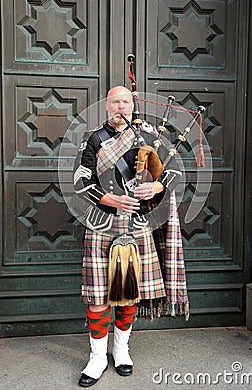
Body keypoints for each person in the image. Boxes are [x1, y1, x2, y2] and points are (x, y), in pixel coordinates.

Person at [73, 86, 188, 387]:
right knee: (97, 295)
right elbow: (80, 182)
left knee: (129, 291)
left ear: (132, 105)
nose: (120, 107)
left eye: (125, 101)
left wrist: (155, 188)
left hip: (138, 226)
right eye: (115, 102)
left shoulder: (149, 136)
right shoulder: (93, 139)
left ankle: (120, 349)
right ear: (107, 106)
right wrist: (114, 200)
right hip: (102, 224)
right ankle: (97, 356)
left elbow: (174, 171)